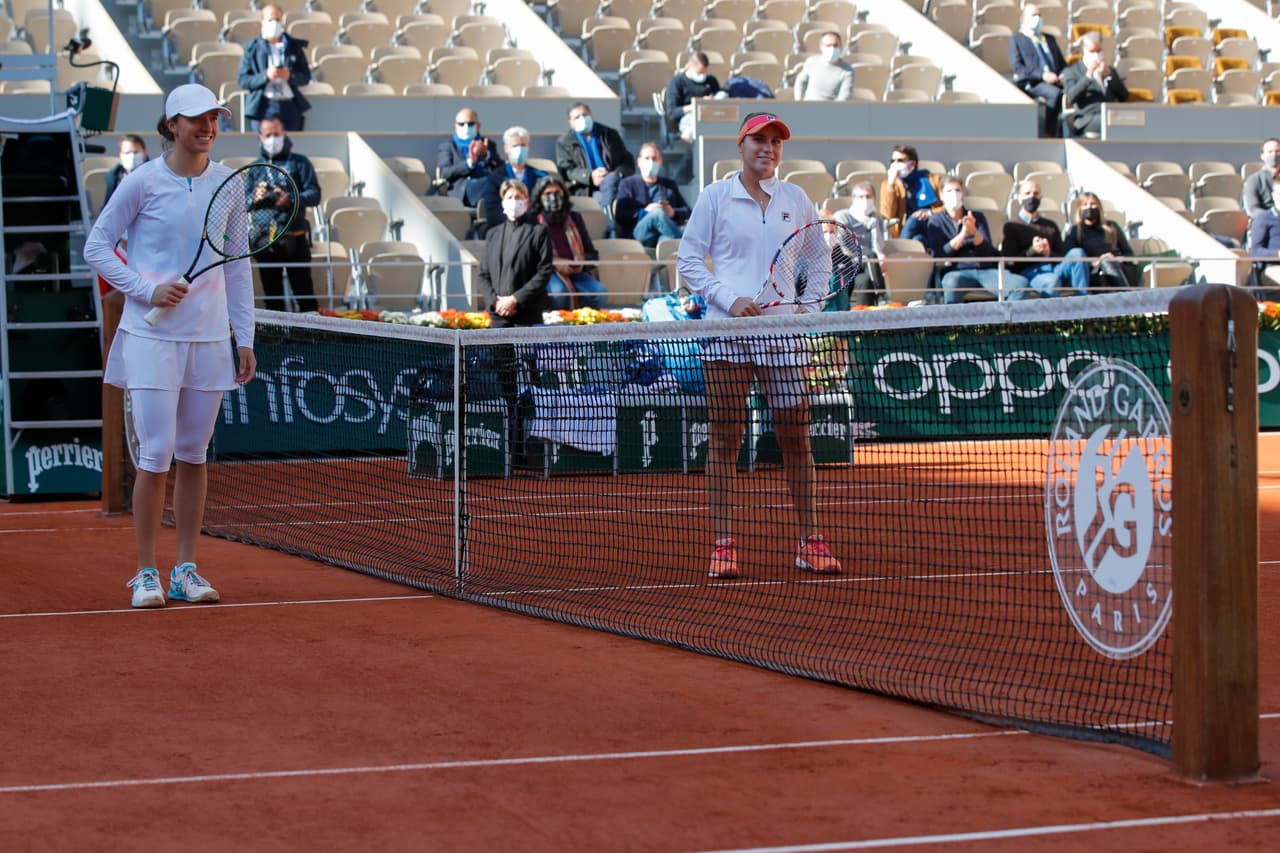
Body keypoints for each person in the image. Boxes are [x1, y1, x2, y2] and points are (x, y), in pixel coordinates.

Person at [83, 84, 255, 608]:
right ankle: (145, 573)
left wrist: (242, 337)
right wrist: (146, 289)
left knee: (194, 455)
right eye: (196, 119)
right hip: (150, 336)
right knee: (155, 457)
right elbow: (97, 245)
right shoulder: (142, 182)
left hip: (208, 338)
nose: (207, 128)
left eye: (214, 120)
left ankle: (185, 569)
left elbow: (238, 267)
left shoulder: (229, 184)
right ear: (171, 125)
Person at [675, 111, 842, 580]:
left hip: (784, 337)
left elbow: (818, 259)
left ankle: (811, 540)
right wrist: (730, 300)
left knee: (796, 437)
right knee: (726, 437)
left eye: (776, 142)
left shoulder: (797, 198)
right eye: (759, 140)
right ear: (741, 144)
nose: (768, 148)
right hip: (726, 335)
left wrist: (808, 308)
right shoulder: (714, 197)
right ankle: (724, 544)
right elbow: (689, 260)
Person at [477, 179, 553, 464]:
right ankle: (507, 448)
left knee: (528, 386)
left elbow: (544, 273)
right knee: (504, 385)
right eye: (509, 196)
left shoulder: (538, 232)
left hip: (526, 321)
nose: (514, 201)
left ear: (527, 201)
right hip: (498, 323)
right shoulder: (494, 233)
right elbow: (483, 274)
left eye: (518, 196)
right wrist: (496, 301)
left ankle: (528, 448)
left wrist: (516, 299)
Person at [251, 117, 321, 313]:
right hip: (265, 241)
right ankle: (276, 340)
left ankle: (313, 337)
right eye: (268, 135)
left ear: (284, 134)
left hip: (295, 236)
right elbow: (244, 201)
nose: (273, 138)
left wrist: (291, 198)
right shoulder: (255, 168)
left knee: (304, 294)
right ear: (260, 138)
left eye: (277, 134)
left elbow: (314, 194)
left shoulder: (300, 162)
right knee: (273, 299)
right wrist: (256, 196)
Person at [925, 176, 1030, 302]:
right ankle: (955, 322)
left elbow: (988, 251)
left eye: (957, 190)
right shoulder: (935, 221)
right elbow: (939, 254)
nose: (954, 194)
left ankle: (1003, 320)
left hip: (985, 270)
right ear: (941, 195)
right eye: (949, 191)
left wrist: (974, 232)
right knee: (951, 283)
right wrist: (963, 234)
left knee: (1021, 285)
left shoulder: (977, 217)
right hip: (957, 271)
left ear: (963, 193)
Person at [530, 174, 608, 310]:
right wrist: (554, 263)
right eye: (548, 193)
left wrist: (582, 261)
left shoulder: (575, 218)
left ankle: (585, 325)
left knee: (599, 293)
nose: (553, 197)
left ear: (564, 195)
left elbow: (592, 254)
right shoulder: (532, 221)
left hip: (576, 272)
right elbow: (528, 257)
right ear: (539, 197)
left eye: (557, 192)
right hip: (547, 273)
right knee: (559, 294)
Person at [1000, 178, 1089, 297]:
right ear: (1020, 197)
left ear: (1040, 197)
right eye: (1027, 193)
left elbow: (1062, 255)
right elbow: (1010, 262)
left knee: (1077, 253)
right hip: (1031, 273)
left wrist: (1048, 253)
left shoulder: (1050, 225)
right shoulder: (1011, 226)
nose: (1032, 197)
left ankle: (1083, 302)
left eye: (1036, 193)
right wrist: (1033, 250)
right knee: (1052, 282)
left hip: (1055, 268)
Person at [237, 4, 311, 132]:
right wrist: (265, 76)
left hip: (289, 105)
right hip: (263, 106)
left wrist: (289, 76)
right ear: (262, 22)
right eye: (270, 20)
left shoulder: (294, 47)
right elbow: (243, 80)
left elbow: (305, 77)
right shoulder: (252, 49)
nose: (274, 23)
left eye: (278, 20)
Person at [554, 103, 633, 219]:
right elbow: (567, 170)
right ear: (570, 123)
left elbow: (627, 161)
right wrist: (590, 176)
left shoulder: (609, 134)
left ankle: (610, 223)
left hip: (614, 183)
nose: (582, 119)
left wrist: (615, 174)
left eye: (585, 115)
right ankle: (610, 225)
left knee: (613, 185)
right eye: (577, 117)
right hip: (587, 188)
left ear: (591, 115)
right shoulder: (564, 142)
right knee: (609, 202)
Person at [436, 107, 505, 234]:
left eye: (470, 123)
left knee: (501, 182)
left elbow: (501, 169)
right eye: (462, 124)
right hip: (463, 191)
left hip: (487, 191)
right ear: (455, 127)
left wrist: (486, 156)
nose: (466, 127)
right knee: (492, 183)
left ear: (478, 126)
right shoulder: (448, 146)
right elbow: (444, 172)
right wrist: (470, 163)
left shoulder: (488, 144)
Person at [612, 142, 690, 248]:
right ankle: (687, 245)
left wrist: (673, 213)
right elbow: (620, 214)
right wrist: (645, 212)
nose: (651, 162)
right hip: (639, 233)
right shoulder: (627, 184)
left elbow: (687, 211)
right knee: (657, 213)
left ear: (660, 161)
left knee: (666, 241)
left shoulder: (669, 185)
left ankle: (671, 255)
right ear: (639, 162)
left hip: (662, 233)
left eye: (654, 159)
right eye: (647, 158)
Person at [1010, 2, 1066, 137]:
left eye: (1040, 15)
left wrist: (1064, 75)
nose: (1038, 18)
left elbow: (1062, 64)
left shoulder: (1048, 38)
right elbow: (1018, 68)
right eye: (1034, 15)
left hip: (1056, 80)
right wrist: (1042, 75)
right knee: (1055, 94)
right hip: (1033, 82)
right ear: (1023, 19)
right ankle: (1050, 133)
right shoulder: (1017, 39)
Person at [827, 181, 888, 305]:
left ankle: (864, 315)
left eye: (868, 197)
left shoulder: (876, 218)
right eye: (861, 197)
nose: (865, 200)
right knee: (869, 255)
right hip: (848, 260)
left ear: (874, 199)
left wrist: (873, 225)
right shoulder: (843, 216)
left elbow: (879, 247)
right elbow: (843, 246)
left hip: (868, 268)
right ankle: (882, 296)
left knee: (864, 281)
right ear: (854, 199)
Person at [1062, 191, 1136, 292]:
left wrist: (1116, 258)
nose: (1089, 207)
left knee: (1108, 262)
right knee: (1105, 264)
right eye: (1085, 205)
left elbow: (1129, 254)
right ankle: (1128, 297)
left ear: (1099, 207)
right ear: (1080, 209)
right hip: (1092, 272)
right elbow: (1071, 258)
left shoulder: (1111, 227)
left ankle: (1126, 297)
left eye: (1093, 204)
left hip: (1116, 267)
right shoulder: (1074, 231)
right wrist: (1095, 262)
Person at [1061, 31, 1128, 138]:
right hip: (1087, 118)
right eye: (1092, 51)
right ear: (1084, 50)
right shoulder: (1072, 71)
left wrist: (1110, 76)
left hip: (1110, 115)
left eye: (1099, 51)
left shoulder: (1109, 70)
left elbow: (1124, 96)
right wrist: (1088, 76)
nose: (1096, 55)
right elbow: (1070, 97)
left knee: (1130, 122)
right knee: (1111, 123)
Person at [879, 144, 945, 238]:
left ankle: (902, 249)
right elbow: (888, 215)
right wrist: (891, 185)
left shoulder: (932, 180)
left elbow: (949, 207)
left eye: (900, 160)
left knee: (915, 220)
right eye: (893, 161)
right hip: (905, 229)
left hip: (931, 225)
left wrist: (930, 212)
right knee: (918, 238)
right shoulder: (888, 185)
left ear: (912, 164)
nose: (895, 164)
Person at [665, 52, 721, 143]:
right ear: (689, 66)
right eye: (699, 73)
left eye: (704, 73)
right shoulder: (677, 82)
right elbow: (672, 112)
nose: (702, 76)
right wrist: (698, 105)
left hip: (710, 117)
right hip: (687, 120)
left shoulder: (711, 80)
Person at [793, 31, 854, 101]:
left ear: (841, 47)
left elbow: (844, 98)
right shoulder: (811, 62)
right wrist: (799, 101)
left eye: (835, 45)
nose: (832, 48)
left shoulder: (847, 71)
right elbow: (800, 81)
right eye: (828, 45)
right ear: (821, 47)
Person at [1249, 172, 1280, 290]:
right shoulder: (1264, 219)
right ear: (1273, 195)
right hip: (1272, 268)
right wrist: (1277, 254)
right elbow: (1254, 251)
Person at [499, 125, 546, 194]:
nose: (519, 149)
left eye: (523, 145)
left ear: (528, 148)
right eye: (515, 146)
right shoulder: (497, 177)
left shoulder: (540, 177)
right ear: (506, 149)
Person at [103, 134, 147, 206]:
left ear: (144, 152)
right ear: (120, 155)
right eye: (127, 153)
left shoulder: (155, 174)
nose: (132, 156)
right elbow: (107, 206)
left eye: (135, 152)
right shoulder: (113, 177)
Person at [1243, 138, 1280, 218]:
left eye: (1277, 151)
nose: (1274, 155)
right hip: (1265, 223)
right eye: (1270, 152)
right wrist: (1272, 218)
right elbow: (1252, 209)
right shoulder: (1254, 180)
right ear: (1262, 156)